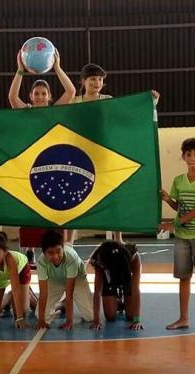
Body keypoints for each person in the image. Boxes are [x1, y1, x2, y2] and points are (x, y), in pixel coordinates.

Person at [67, 63, 160, 244]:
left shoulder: (108, 100)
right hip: (79, 155)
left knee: (113, 196)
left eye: (100, 79)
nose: (97, 83)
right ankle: (69, 241)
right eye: (93, 79)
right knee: (74, 198)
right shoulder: (74, 102)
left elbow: (125, 114)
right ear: (83, 81)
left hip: (104, 155)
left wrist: (149, 103)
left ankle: (118, 238)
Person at [8, 49, 76, 262]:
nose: (39, 96)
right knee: (30, 206)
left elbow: (71, 91)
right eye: (36, 93)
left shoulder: (54, 111)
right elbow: (12, 97)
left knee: (53, 205)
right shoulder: (26, 111)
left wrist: (57, 67)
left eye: (43, 94)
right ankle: (29, 250)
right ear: (31, 96)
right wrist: (20, 70)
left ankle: (55, 248)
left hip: (51, 163)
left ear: (49, 96)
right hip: (30, 164)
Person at [159, 137, 195, 332]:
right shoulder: (178, 181)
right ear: (183, 157)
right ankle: (183, 318)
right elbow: (180, 207)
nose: (193, 158)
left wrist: (173, 224)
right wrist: (168, 199)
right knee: (183, 277)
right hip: (182, 237)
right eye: (189, 154)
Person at [35, 230, 92, 331]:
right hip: (55, 280)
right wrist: (41, 320)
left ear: (63, 248)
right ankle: (60, 304)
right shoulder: (41, 262)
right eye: (50, 253)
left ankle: (65, 301)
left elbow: (69, 294)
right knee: (39, 315)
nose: (55, 256)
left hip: (77, 278)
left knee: (90, 316)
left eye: (58, 251)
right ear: (44, 253)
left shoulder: (70, 258)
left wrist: (69, 321)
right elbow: (43, 294)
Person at [88, 240, 143, 331]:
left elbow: (135, 289)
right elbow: (98, 291)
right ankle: (116, 301)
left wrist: (137, 320)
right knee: (110, 316)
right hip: (108, 278)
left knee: (131, 316)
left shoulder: (134, 256)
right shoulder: (100, 258)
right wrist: (96, 320)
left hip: (126, 275)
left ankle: (121, 300)